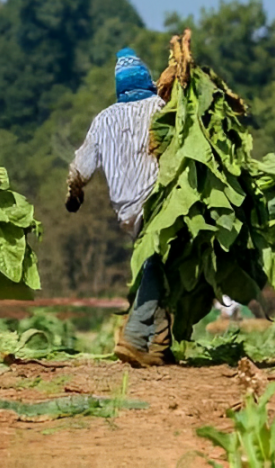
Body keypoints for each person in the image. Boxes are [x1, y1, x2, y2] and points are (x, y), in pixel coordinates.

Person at [66, 48, 171, 367]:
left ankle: (161, 345)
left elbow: (80, 168)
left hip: (126, 210)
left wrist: (74, 191)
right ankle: (136, 337)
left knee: (162, 267)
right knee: (158, 263)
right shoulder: (161, 107)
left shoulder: (103, 119)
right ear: (147, 82)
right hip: (160, 201)